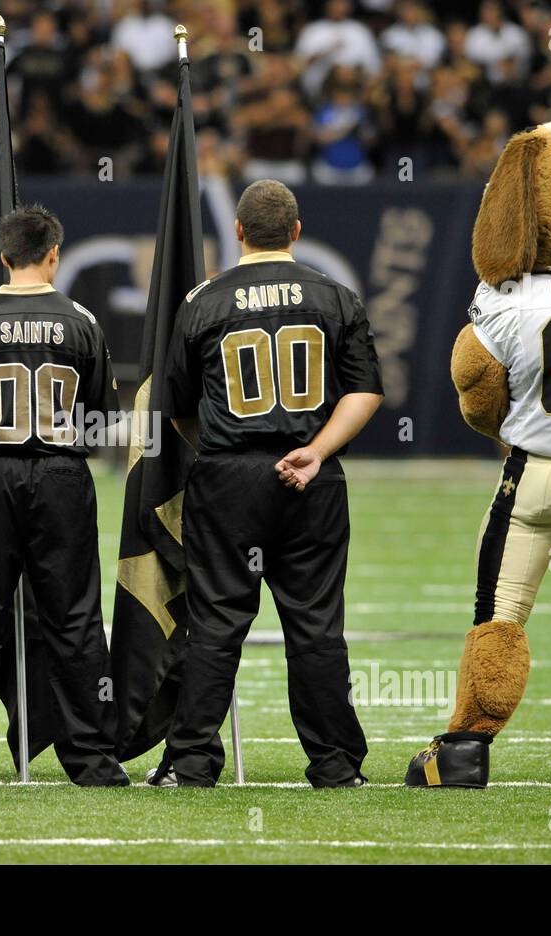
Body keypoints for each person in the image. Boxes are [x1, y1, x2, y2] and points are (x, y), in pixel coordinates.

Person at [150, 180, 382, 788]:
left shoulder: (203, 300)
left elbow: (176, 405)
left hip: (228, 477)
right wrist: (315, 451)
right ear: (297, 231)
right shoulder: (335, 295)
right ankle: (334, 764)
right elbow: (365, 392)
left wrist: (226, 453)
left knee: (217, 622)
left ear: (239, 232)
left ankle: (192, 761)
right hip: (314, 476)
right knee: (315, 625)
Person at [0, 204, 128, 787]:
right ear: (54, 254)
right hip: (61, 477)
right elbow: (103, 422)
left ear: (3, 257)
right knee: (76, 619)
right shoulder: (82, 321)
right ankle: (92, 760)